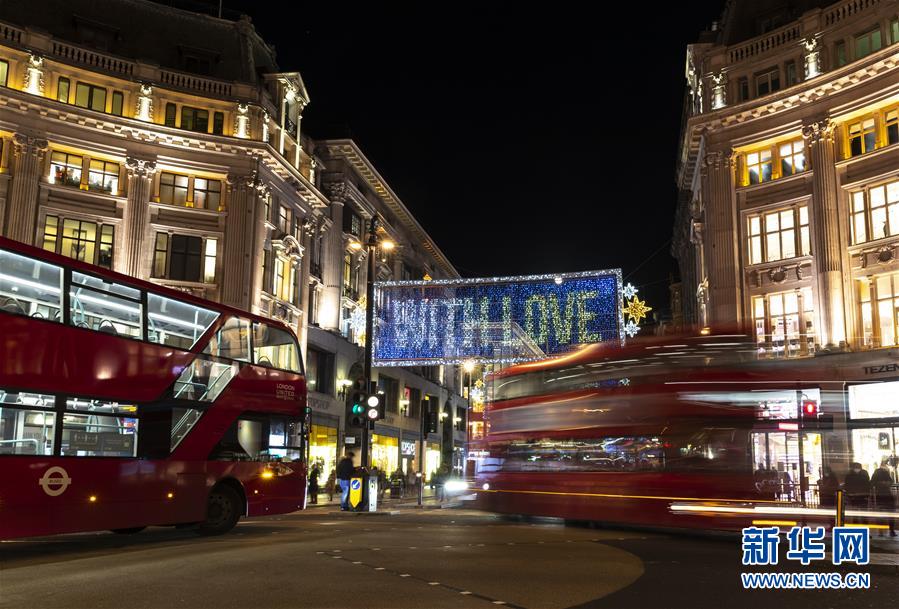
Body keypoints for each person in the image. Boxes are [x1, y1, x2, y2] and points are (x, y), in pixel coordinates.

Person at [871, 460, 897, 537]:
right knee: (888, 514)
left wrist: (885, 483)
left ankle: (883, 531)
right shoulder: (880, 472)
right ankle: (888, 531)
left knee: (883, 514)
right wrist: (883, 483)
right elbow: (873, 482)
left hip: (883, 496)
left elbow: (890, 481)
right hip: (884, 495)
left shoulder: (883, 472)